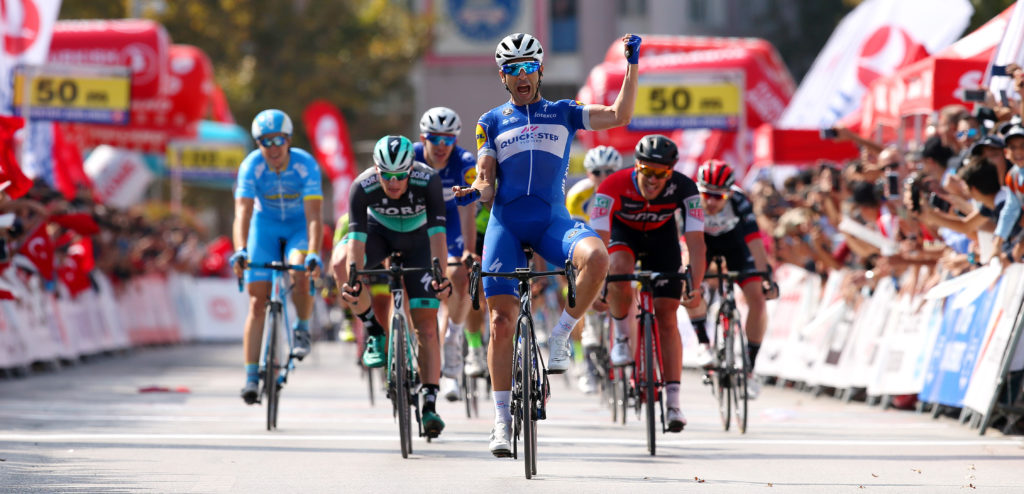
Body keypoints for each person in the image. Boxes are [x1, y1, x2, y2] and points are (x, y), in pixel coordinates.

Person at [453, 32, 641, 457]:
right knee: (501, 324)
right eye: (512, 70)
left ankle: (562, 333)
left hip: (552, 222)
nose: (521, 76)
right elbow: (485, 177)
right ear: (503, 77)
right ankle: (501, 422)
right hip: (506, 224)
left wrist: (631, 66)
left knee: (597, 257)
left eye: (527, 67)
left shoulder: (563, 113)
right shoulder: (491, 121)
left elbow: (619, 114)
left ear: (539, 70)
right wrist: (476, 191)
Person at [331, 135, 452, 437]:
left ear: (412, 169)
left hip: (420, 241)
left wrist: (440, 273)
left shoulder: (429, 179)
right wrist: (354, 277)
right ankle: (373, 331)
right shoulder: (363, 185)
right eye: (387, 175)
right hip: (378, 235)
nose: (394, 182)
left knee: (426, 325)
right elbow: (357, 239)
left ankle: (430, 404)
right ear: (376, 169)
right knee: (341, 264)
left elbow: (438, 235)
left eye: (401, 176)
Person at [591, 135, 706, 432]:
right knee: (618, 268)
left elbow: (696, 242)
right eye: (647, 172)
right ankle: (621, 337)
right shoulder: (611, 186)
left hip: (662, 239)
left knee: (667, 316)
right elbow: (598, 243)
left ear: (671, 171)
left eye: (662, 173)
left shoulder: (686, 188)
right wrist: (599, 284)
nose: (653, 180)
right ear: (636, 166)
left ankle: (673, 403)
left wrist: (694, 284)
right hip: (622, 234)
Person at [231, 109, 323, 405]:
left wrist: (314, 253)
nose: (272, 148)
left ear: (289, 140)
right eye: (265, 141)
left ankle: (302, 327)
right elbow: (242, 212)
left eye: (278, 140)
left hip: (298, 228)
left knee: (298, 268)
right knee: (257, 302)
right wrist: (241, 249)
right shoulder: (251, 166)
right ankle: (250, 377)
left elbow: (314, 217)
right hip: (265, 228)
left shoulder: (306, 165)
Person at [686, 159, 778, 400]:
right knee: (690, 287)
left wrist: (765, 276)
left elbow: (755, 243)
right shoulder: (689, 201)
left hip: (735, 245)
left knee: (757, 299)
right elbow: (687, 247)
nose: (712, 202)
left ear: (729, 193)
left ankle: (749, 368)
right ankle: (704, 343)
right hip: (702, 243)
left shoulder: (739, 200)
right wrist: (690, 276)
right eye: (708, 195)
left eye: (720, 197)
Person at [414, 107, 478, 402]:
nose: (441, 146)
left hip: (451, 224)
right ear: (423, 138)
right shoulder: (410, 158)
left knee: (461, 275)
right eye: (435, 138)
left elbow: (468, 211)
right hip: (417, 223)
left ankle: (453, 337)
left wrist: (468, 249)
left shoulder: (464, 163)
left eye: (448, 139)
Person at [566, 145, 624, 394]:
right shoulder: (579, 195)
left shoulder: (626, 190)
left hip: (617, 244)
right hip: (590, 245)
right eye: (597, 172)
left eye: (609, 171)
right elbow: (573, 234)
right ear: (589, 173)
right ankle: (586, 356)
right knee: (582, 288)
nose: (603, 177)